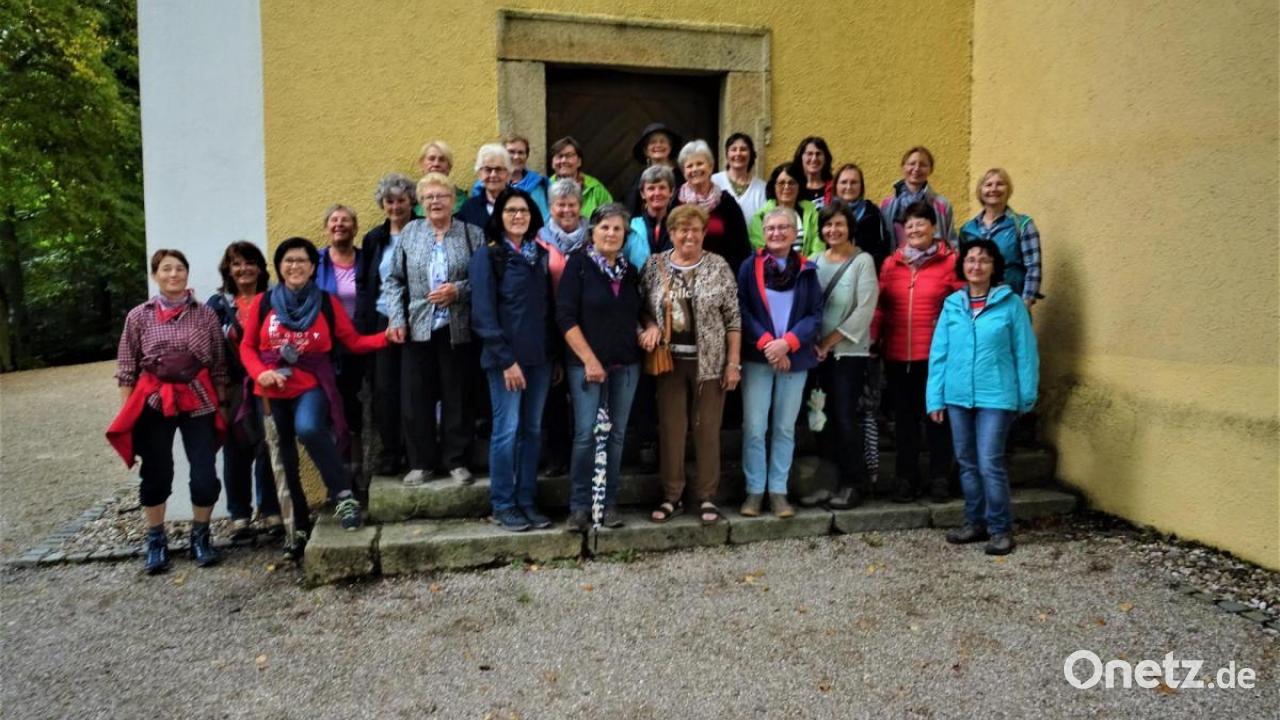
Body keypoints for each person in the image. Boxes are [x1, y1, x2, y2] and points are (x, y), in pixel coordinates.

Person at [240, 237, 394, 541]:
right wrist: (261, 375)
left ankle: (344, 497)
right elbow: (247, 348)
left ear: (313, 267)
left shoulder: (326, 302)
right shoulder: (264, 302)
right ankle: (296, 522)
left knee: (309, 428)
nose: (295, 266)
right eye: (288, 260)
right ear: (280, 267)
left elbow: (353, 341)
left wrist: (387, 336)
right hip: (270, 389)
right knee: (283, 455)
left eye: (301, 260)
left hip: (311, 382)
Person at [108, 249, 228, 574]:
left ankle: (201, 536)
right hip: (153, 402)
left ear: (187, 274)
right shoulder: (139, 316)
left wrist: (223, 405)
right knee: (157, 471)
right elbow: (126, 366)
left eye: (179, 269)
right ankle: (155, 540)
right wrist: (128, 412)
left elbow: (218, 364)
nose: (173, 274)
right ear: (155, 275)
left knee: (204, 472)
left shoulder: (205, 315)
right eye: (166, 269)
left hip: (198, 399)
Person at [927, 238, 1039, 555]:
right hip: (957, 395)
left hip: (997, 395)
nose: (976, 265)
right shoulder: (952, 304)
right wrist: (934, 397)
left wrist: (1026, 395)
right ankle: (973, 522)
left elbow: (1025, 352)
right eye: (971, 259)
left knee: (990, 461)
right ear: (963, 265)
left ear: (994, 267)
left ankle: (1000, 528)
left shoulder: (1012, 304)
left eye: (984, 260)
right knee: (966, 462)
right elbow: (939, 353)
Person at [639, 205, 742, 526]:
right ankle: (672, 496)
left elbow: (733, 319)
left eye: (695, 229)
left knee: (707, 429)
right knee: (672, 430)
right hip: (669, 364)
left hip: (710, 364)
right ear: (671, 232)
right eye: (682, 229)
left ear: (704, 232)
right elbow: (640, 306)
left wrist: (733, 363)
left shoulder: (718, 266)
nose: (689, 235)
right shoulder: (655, 266)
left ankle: (707, 496)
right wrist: (649, 326)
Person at [382, 173, 482, 487]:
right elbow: (394, 280)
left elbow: (484, 280)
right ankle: (421, 463)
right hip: (417, 327)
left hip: (457, 327)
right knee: (415, 398)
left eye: (441, 196)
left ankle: (456, 461)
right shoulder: (410, 233)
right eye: (429, 198)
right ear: (420, 204)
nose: (435, 202)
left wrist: (459, 291)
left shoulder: (471, 233)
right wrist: (397, 319)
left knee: (458, 396)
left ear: (453, 201)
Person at [469, 188, 557, 532]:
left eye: (523, 210)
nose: (518, 215)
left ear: (533, 216)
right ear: (500, 217)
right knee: (506, 430)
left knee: (532, 430)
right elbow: (483, 314)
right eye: (510, 211)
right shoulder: (489, 257)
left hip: (540, 360)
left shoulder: (540, 254)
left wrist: (554, 358)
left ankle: (526, 500)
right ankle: (503, 503)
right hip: (505, 361)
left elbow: (546, 311)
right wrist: (506, 360)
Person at [557, 204, 643, 531]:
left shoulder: (629, 270)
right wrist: (589, 359)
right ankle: (580, 506)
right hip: (586, 368)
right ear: (592, 232)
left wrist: (647, 327)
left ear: (624, 235)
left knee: (617, 436)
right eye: (604, 227)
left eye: (617, 229)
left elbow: (638, 311)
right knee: (585, 435)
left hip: (626, 365)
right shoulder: (578, 266)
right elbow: (565, 316)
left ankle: (608, 504)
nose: (610, 233)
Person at [873, 201, 963, 503]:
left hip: (935, 357)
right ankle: (905, 478)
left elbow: (962, 304)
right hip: (898, 356)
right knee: (905, 423)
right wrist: (874, 340)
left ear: (933, 226)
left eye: (920, 223)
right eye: (909, 225)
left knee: (938, 420)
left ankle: (939, 477)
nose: (914, 229)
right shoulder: (891, 263)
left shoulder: (950, 262)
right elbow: (881, 308)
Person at [736, 207, 823, 519]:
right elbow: (741, 310)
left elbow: (815, 314)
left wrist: (788, 343)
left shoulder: (808, 269)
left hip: (794, 359)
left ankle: (779, 492)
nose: (776, 233)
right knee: (755, 428)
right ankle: (754, 491)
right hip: (758, 357)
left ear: (794, 232)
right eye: (771, 228)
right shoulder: (751, 266)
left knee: (785, 428)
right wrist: (767, 344)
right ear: (764, 231)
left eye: (783, 227)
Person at [798, 202, 879, 509]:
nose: (834, 230)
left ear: (850, 228)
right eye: (828, 225)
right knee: (821, 419)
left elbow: (863, 311)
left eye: (840, 225)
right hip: (816, 355)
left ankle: (852, 482)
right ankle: (828, 480)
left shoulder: (863, 262)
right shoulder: (815, 260)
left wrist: (827, 342)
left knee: (846, 418)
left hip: (848, 354)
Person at [206, 242, 282, 540]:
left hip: (270, 383)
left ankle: (271, 509)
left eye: (250, 262)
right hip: (234, 385)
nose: (243, 269)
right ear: (228, 269)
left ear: (261, 268)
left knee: (269, 445)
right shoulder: (217, 304)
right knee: (236, 449)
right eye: (236, 263)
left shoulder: (276, 299)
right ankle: (239, 514)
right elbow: (212, 351)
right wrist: (220, 393)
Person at [355, 172, 417, 477]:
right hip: (382, 321)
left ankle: (416, 451)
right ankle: (391, 451)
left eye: (401, 200)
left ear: (411, 202)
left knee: (414, 388)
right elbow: (367, 283)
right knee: (384, 389)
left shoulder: (422, 230)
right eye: (389, 201)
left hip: (416, 319)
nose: (395, 206)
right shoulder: (374, 239)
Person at [535, 178, 590, 476]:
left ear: (580, 207)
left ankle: (586, 458)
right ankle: (556, 457)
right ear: (551, 208)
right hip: (552, 323)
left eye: (572, 204)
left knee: (584, 389)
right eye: (560, 205)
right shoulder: (539, 239)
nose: (566, 210)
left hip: (587, 324)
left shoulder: (593, 237)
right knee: (554, 393)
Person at [315, 204, 366, 484]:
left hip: (360, 344)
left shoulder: (365, 259)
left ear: (355, 228)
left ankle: (357, 468)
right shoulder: (315, 262)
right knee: (332, 410)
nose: (339, 225)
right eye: (334, 220)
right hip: (327, 349)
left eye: (345, 220)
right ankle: (338, 472)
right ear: (326, 228)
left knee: (355, 408)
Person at [959, 168, 1042, 310]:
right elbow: (961, 269)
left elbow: (1033, 267)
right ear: (980, 190)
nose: (994, 189)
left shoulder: (1022, 225)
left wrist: (1026, 303)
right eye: (988, 184)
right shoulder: (967, 229)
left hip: (1011, 302)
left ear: (1008, 189)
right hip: (975, 304)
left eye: (1000, 184)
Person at [673, 139, 752, 275]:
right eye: (689, 166)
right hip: (682, 277)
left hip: (720, 277)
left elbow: (741, 248)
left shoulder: (726, 202)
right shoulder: (676, 202)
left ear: (710, 166)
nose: (695, 169)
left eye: (700, 163)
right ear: (683, 172)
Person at [880, 145, 956, 249]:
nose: (916, 168)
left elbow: (951, 240)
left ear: (930, 169)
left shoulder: (942, 205)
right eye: (912, 164)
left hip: (934, 263)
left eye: (923, 165)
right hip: (898, 263)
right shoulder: (886, 205)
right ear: (903, 167)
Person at [471, 135, 549, 220]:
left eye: (521, 152)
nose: (516, 157)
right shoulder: (481, 187)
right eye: (511, 152)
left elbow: (544, 219)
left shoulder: (536, 184)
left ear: (527, 156)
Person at [749, 163, 820, 256]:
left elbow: (818, 248)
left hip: (806, 268)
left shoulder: (812, 212)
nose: (786, 187)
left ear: (799, 186)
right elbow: (761, 249)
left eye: (791, 183)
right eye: (781, 183)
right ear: (774, 187)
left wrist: (804, 266)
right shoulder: (760, 217)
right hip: (771, 269)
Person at [832, 163, 892, 271]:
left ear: (861, 186)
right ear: (836, 186)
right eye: (844, 182)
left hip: (866, 275)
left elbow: (882, 250)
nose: (849, 187)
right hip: (834, 276)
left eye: (854, 182)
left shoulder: (873, 213)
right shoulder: (827, 214)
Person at [623, 123, 684, 216]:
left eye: (663, 141)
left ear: (670, 147)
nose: (658, 145)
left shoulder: (680, 177)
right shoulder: (639, 179)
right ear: (645, 150)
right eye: (653, 142)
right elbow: (630, 210)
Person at [623, 164, 675, 269]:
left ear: (671, 192)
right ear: (642, 193)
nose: (657, 193)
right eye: (651, 188)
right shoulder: (630, 228)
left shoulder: (681, 226)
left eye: (662, 187)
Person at [548, 136, 613, 219]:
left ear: (579, 162)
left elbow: (611, 218)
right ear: (552, 163)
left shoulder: (595, 189)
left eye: (569, 156)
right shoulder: (544, 187)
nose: (563, 160)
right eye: (559, 156)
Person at [712, 132, 767, 227]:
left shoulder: (762, 188)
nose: (738, 153)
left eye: (743, 149)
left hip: (752, 241)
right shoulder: (714, 181)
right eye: (733, 149)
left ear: (751, 154)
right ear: (727, 154)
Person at [457, 144, 517, 227]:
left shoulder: (523, 201)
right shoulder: (469, 207)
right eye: (488, 170)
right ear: (480, 174)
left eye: (499, 169)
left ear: (508, 174)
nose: (493, 175)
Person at [416, 140, 466, 213]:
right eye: (431, 159)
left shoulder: (463, 201)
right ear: (422, 164)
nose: (436, 164)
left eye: (442, 160)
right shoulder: (410, 201)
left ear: (449, 167)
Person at [793, 136, 835, 209]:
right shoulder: (793, 188)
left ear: (825, 158)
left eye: (818, 154)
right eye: (809, 154)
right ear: (800, 157)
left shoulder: (834, 188)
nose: (814, 158)